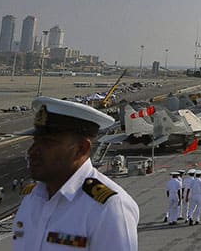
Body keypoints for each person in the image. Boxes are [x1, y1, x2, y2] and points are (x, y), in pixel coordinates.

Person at [12, 96, 139, 250]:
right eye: (35, 141)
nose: (32, 151)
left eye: (48, 142)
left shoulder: (108, 208)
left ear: (81, 149)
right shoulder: (31, 199)